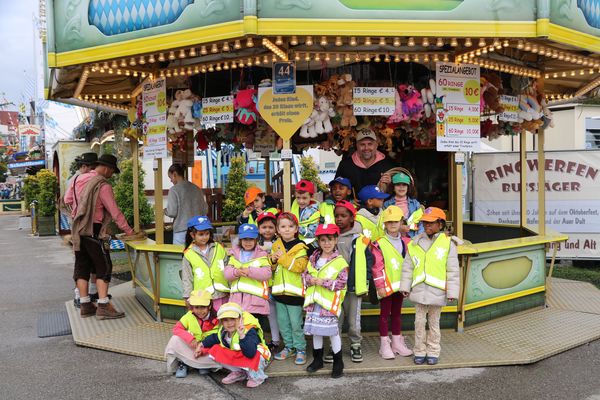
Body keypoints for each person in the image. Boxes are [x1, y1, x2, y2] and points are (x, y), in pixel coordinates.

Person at [69, 154, 135, 319]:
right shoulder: (102, 185)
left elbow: (67, 199)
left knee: (82, 267)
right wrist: (129, 231)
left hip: (78, 230)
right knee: (104, 267)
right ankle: (103, 305)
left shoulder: (78, 179)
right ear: (106, 168)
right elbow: (115, 212)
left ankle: (85, 304)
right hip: (94, 230)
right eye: (112, 171)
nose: (112, 175)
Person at [400, 207, 460, 366]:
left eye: (431, 223)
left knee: (434, 323)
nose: (427, 226)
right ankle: (419, 350)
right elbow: (408, 267)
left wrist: (452, 292)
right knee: (419, 323)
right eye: (425, 223)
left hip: (437, 291)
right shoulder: (414, 243)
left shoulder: (448, 244)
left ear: (440, 224)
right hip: (419, 290)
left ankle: (433, 350)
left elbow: (453, 270)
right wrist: (405, 286)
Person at [325, 200, 377, 364]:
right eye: (336, 216)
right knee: (335, 319)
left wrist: (365, 280)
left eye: (343, 216)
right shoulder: (330, 237)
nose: (339, 219)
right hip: (334, 287)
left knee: (353, 321)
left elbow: (370, 260)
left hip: (353, 286)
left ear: (352, 218)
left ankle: (355, 344)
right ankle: (335, 347)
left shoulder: (359, 238)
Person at [303, 223, 348, 378]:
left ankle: (338, 362)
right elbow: (305, 275)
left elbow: (342, 283)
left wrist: (323, 282)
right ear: (318, 241)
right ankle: (317, 360)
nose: (326, 243)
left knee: (332, 332)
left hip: (328, 303)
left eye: (330, 239)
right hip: (314, 301)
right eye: (323, 240)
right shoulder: (313, 258)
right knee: (316, 331)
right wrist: (310, 279)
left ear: (336, 240)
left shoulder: (340, 261)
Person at [372, 206, 413, 359]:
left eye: (395, 221)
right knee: (384, 315)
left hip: (400, 285)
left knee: (396, 314)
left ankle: (396, 342)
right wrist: (380, 286)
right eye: (389, 222)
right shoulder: (379, 243)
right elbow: (377, 266)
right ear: (384, 224)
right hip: (387, 286)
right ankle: (384, 345)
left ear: (401, 221)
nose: (393, 224)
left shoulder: (407, 242)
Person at [200, 302, 271, 388]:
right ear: (221, 322)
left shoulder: (249, 330)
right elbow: (215, 337)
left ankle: (257, 377)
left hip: (255, 357)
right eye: (225, 320)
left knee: (256, 354)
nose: (229, 323)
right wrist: (201, 344)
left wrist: (242, 336)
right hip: (242, 356)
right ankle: (240, 372)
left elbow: (250, 353)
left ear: (240, 319)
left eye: (233, 319)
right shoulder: (223, 331)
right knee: (215, 349)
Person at [270, 212, 309, 365]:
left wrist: (281, 258)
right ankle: (289, 347)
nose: (286, 229)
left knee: (295, 323)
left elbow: (299, 267)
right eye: (283, 226)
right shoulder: (276, 245)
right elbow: (273, 268)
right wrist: (272, 260)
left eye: (290, 226)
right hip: (279, 292)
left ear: (296, 229)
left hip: (295, 293)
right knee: (283, 323)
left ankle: (300, 348)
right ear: (278, 230)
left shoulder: (301, 247)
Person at [63, 152, 99, 307]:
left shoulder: (75, 179)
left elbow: (67, 200)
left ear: (85, 166)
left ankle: (79, 295)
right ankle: (93, 291)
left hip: (78, 223)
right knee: (96, 259)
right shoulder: (99, 179)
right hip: (95, 224)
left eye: (81, 166)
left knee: (80, 260)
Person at [164, 290, 220, 378]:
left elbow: (218, 338)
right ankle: (184, 364)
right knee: (175, 339)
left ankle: (201, 365)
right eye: (196, 307)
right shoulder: (189, 316)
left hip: (206, 349)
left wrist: (202, 350)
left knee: (219, 347)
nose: (200, 311)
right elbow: (176, 329)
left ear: (209, 306)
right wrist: (191, 339)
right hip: (192, 347)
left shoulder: (217, 319)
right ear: (192, 307)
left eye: (203, 307)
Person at [224, 223, 272, 320]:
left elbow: (267, 273)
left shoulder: (262, 254)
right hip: (236, 303)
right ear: (240, 240)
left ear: (256, 240)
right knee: (238, 333)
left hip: (256, 304)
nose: (248, 242)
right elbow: (227, 274)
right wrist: (236, 272)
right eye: (245, 239)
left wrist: (249, 271)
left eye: (251, 239)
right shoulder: (234, 254)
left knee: (254, 332)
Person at [181, 216, 229, 311]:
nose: (205, 237)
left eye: (207, 234)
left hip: (222, 294)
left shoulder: (218, 247)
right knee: (206, 323)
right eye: (201, 234)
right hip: (202, 297)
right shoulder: (188, 254)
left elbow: (228, 267)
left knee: (222, 321)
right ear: (192, 235)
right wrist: (187, 296)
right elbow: (187, 277)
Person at [334, 128, 396, 195]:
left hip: (383, 205)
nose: (366, 148)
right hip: (353, 205)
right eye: (362, 144)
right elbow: (336, 189)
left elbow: (399, 191)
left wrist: (391, 183)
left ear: (376, 145)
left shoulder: (388, 164)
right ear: (357, 145)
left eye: (370, 144)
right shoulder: (345, 165)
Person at [256, 211, 282, 352]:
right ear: (259, 228)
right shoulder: (254, 243)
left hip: (277, 284)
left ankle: (282, 340)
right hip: (261, 284)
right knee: (268, 313)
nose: (267, 230)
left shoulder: (279, 243)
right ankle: (274, 339)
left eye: (271, 227)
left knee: (280, 314)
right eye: (264, 227)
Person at [164, 164, 208, 245]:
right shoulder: (197, 189)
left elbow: (172, 212)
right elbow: (205, 210)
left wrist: (165, 211)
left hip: (181, 231)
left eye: (170, 178)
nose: (171, 181)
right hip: (197, 231)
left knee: (180, 256)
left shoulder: (174, 190)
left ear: (175, 174)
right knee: (196, 256)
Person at [383, 172, 424, 240]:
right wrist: (399, 228)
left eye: (404, 185)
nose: (401, 187)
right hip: (392, 240)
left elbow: (421, 224)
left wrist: (417, 239)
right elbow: (382, 225)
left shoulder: (415, 204)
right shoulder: (386, 205)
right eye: (398, 184)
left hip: (413, 241)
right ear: (393, 187)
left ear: (408, 188)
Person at [290, 179, 320, 243]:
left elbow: (312, 233)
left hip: (310, 245)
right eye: (298, 197)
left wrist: (296, 227)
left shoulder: (315, 211)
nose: (301, 201)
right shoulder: (295, 204)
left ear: (312, 196)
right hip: (296, 242)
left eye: (304, 198)